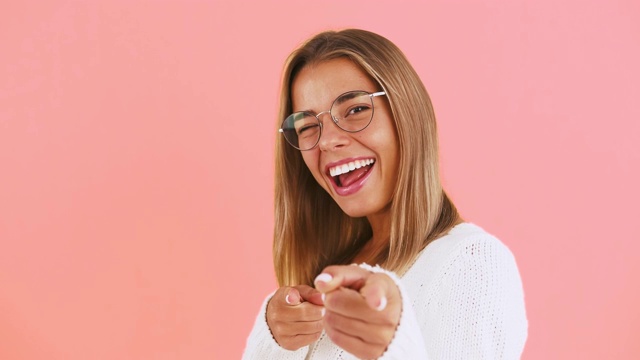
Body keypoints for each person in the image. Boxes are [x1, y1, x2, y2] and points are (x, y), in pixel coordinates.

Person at [243, 29, 527, 359]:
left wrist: (393, 347)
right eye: (307, 126)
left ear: (406, 112)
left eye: (355, 110)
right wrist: (274, 339)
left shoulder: (472, 261)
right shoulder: (329, 273)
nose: (326, 141)